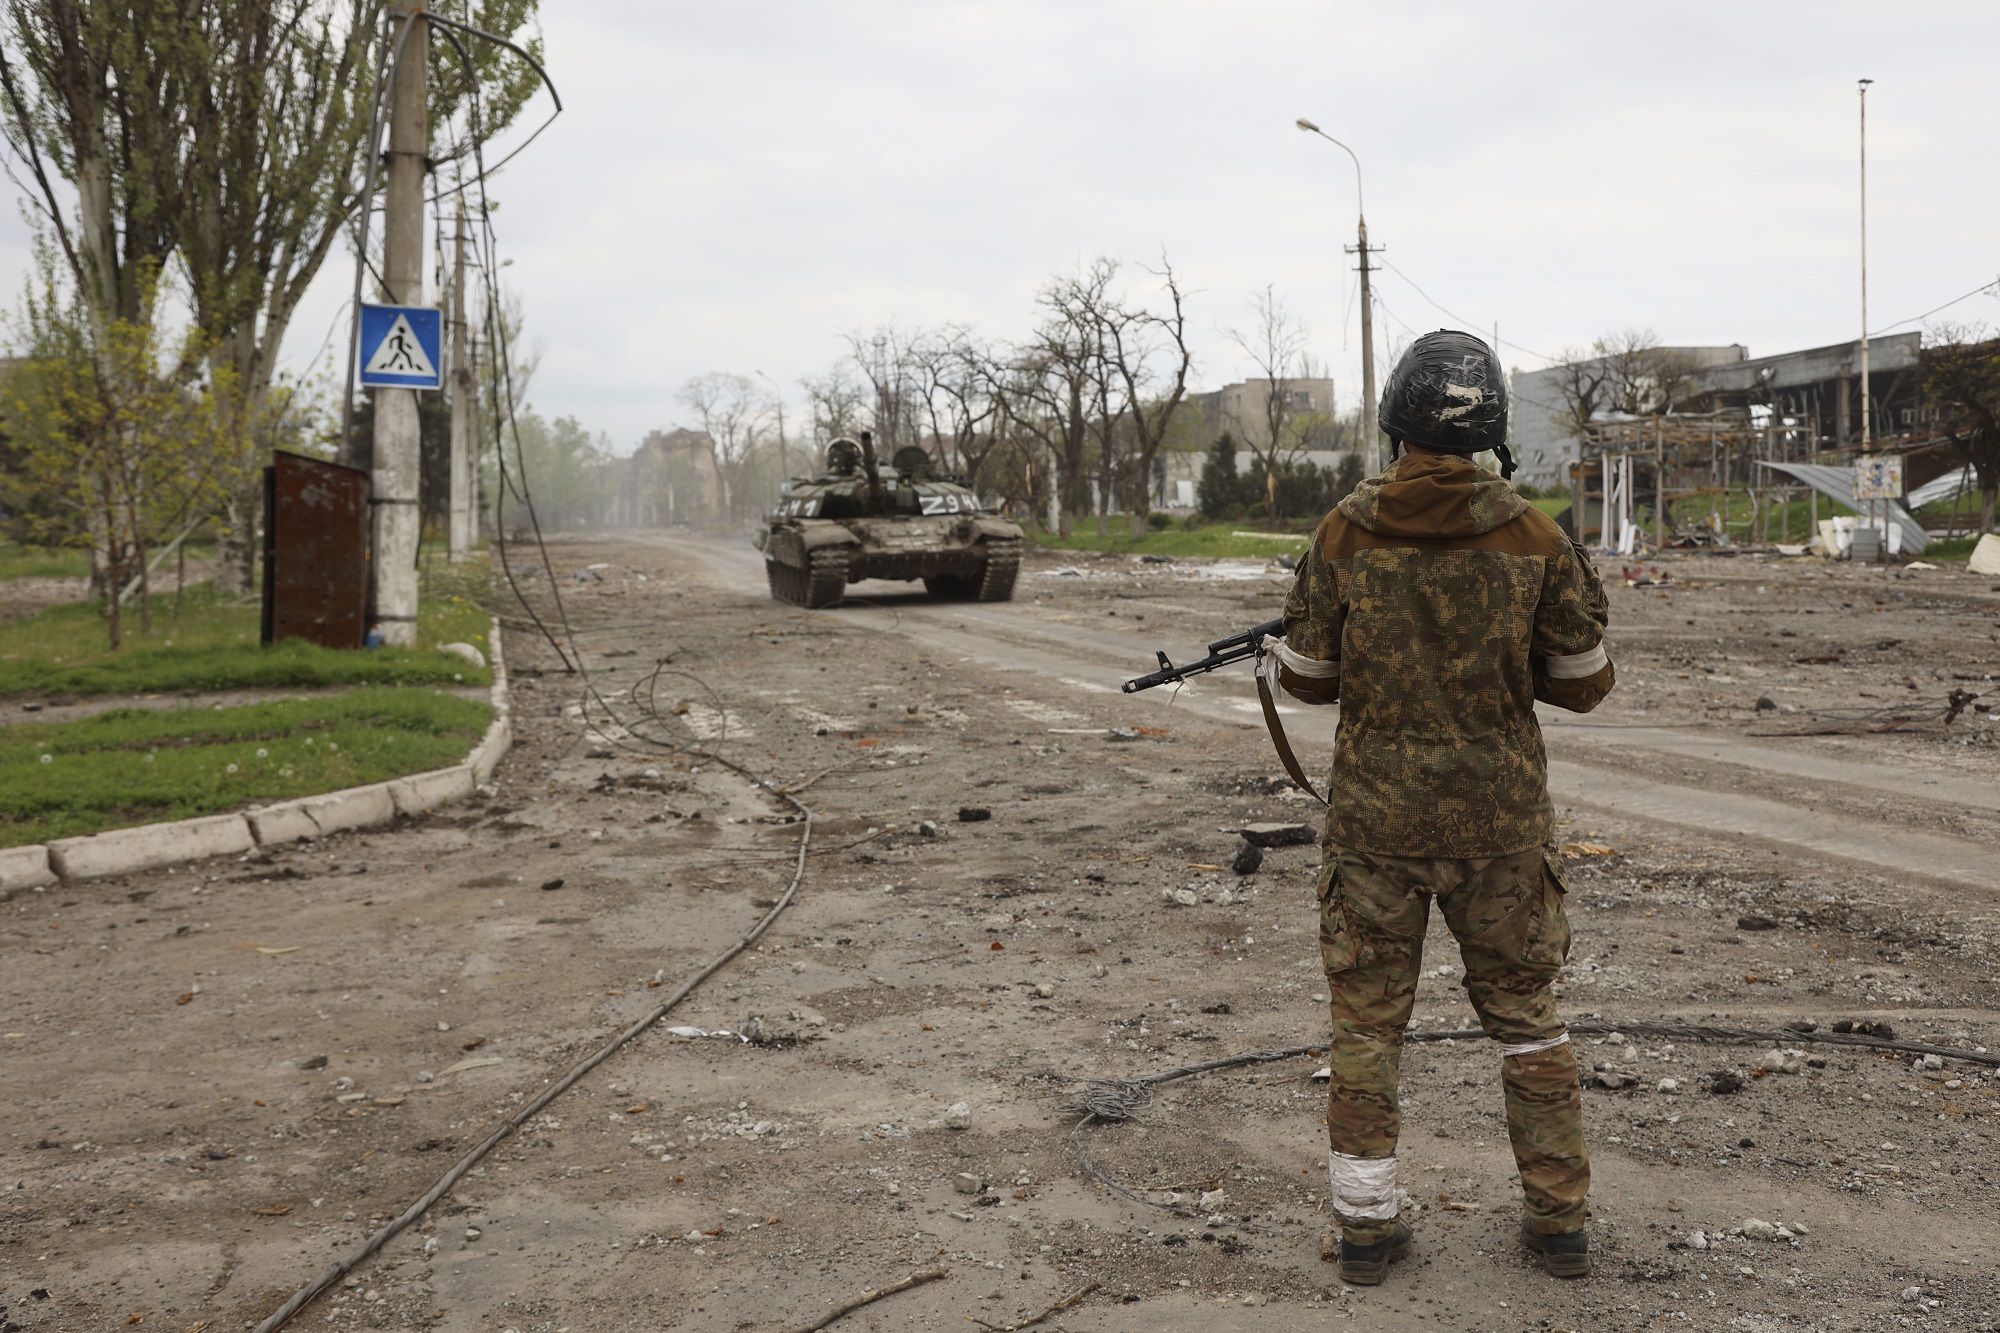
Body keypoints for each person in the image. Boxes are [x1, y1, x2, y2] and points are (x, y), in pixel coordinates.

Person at [1268, 329, 1615, 1284]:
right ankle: (1559, 1225)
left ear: (1395, 422)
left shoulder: (1342, 529)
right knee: (1531, 1018)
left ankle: (1368, 1231)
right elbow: (1584, 683)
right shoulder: (1538, 535)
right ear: (1491, 426)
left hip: (1378, 830)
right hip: (1502, 832)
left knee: (1367, 1028)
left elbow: (1305, 679)